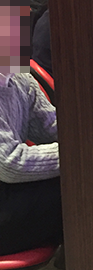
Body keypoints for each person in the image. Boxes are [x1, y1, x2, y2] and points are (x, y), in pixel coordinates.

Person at [0, 72, 61, 255]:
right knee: (78, 192)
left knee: (82, 183)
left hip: (8, 192)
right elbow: (9, 164)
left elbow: (51, 127)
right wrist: (78, 155)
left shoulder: (20, 78)